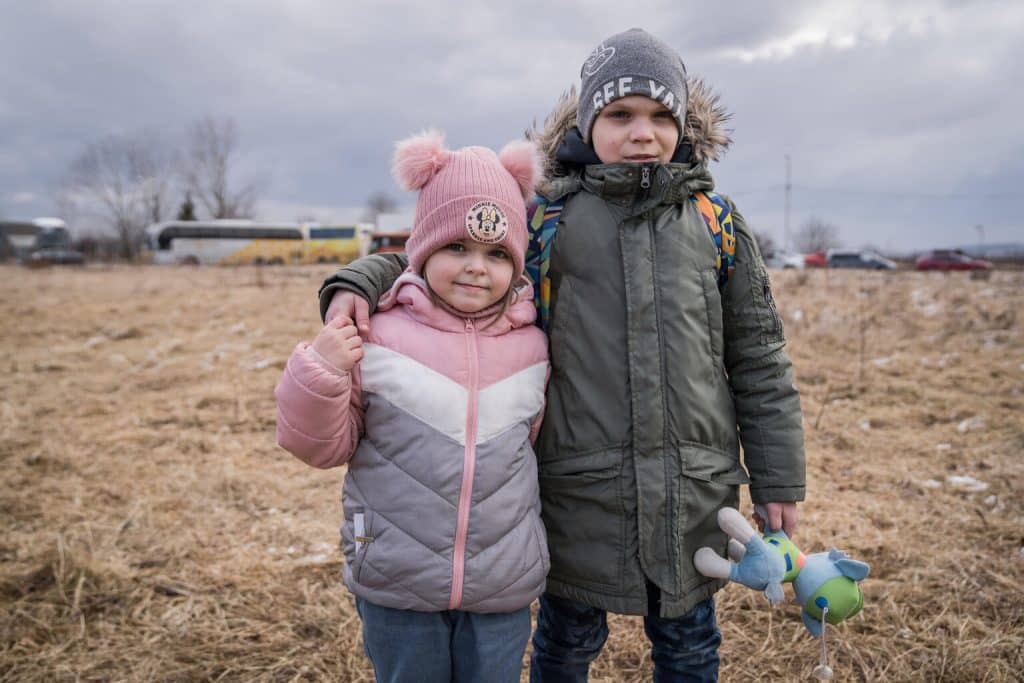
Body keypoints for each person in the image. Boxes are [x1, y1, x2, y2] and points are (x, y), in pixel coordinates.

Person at [318, 28, 806, 683]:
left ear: (684, 125)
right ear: (587, 122)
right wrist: (358, 281)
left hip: (692, 490)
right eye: (620, 114)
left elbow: (760, 359)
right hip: (576, 491)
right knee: (565, 644)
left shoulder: (714, 223)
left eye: (662, 116)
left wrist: (778, 480)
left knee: (691, 646)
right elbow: (442, 257)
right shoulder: (547, 218)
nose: (643, 133)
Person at [275, 132, 550, 683]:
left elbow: (533, 447)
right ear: (421, 250)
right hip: (396, 576)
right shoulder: (377, 336)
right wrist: (322, 369)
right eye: (457, 248)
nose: (476, 267)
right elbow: (319, 447)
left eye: (497, 254)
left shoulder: (534, 347)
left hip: (501, 583)